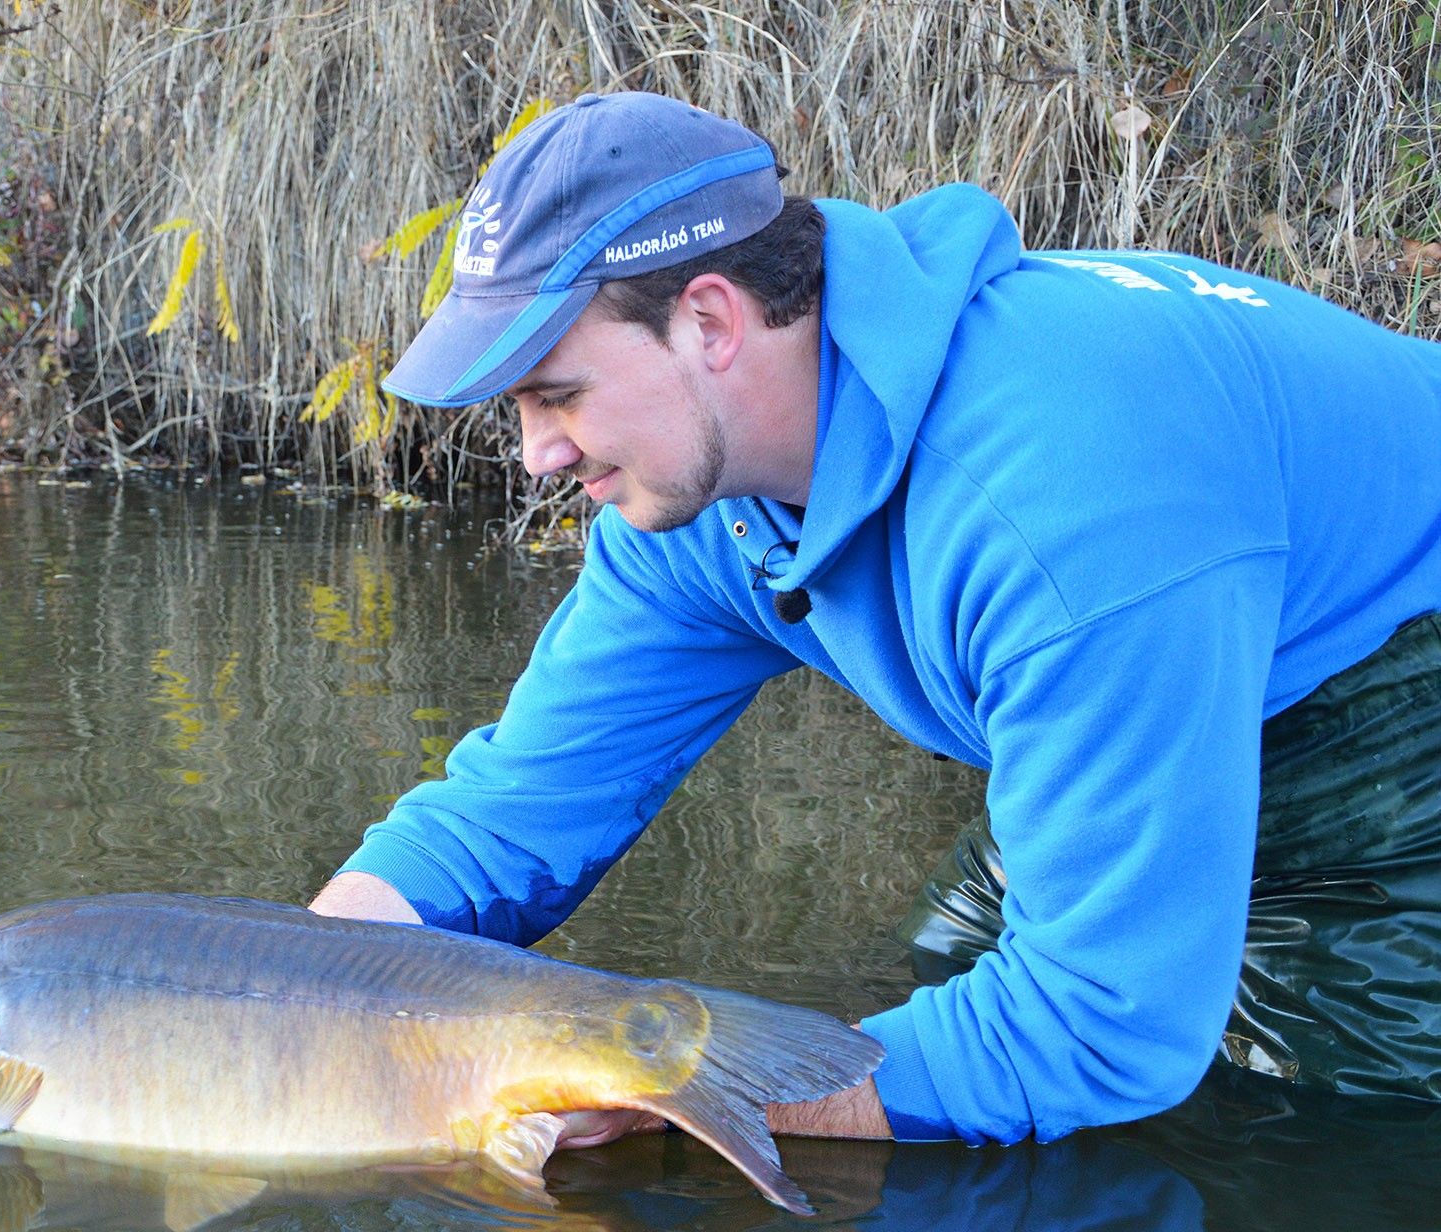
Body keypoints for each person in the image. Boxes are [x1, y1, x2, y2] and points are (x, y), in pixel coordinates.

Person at [310, 90, 1441, 1144]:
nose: (536, 455)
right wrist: (297, 989)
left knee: (1318, 1128)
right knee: (943, 987)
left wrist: (675, 1090)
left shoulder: (1062, 511)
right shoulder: (697, 503)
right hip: (1167, 652)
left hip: (1393, 689)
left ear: (709, 319)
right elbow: (520, 811)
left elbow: (1096, 1031)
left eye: (558, 394)